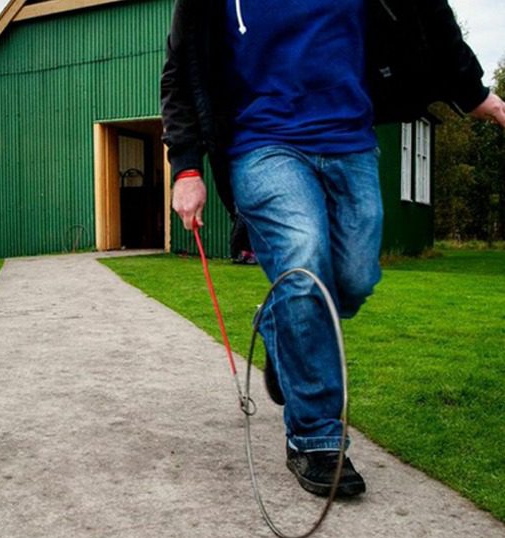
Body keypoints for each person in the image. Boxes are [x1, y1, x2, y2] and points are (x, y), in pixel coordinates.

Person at [160, 0, 505, 497]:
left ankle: (280, 326)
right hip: (261, 145)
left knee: (356, 278)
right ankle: (315, 439)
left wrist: (473, 91)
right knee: (303, 264)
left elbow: (425, 11)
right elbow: (180, 71)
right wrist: (186, 167)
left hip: (350, 143)